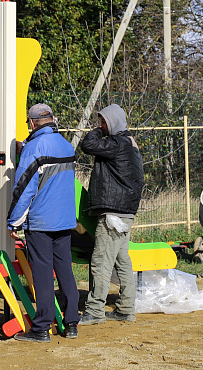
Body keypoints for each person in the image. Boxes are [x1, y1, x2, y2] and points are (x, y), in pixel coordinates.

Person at [8, 103, 80, 342]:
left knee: (42, 274)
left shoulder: (34, 147)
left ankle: (40, 328)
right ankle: (71, 324)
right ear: (53, 120)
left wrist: (13, 223)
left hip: (41, 221)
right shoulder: (65, 144)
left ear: (31, 123)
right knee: (65, 270)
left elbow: (23, 190)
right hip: (65, 219)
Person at [78, 103, 144, 325]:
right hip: (125, 212)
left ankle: (95, 310)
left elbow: (87, 144)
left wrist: (98, 130)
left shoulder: (117, 143)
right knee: (121, 260)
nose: (101, 125)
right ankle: (126, 308)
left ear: (113, 122)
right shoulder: (130, 144)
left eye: (104, 121)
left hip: (113, 213)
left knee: (101, 261)